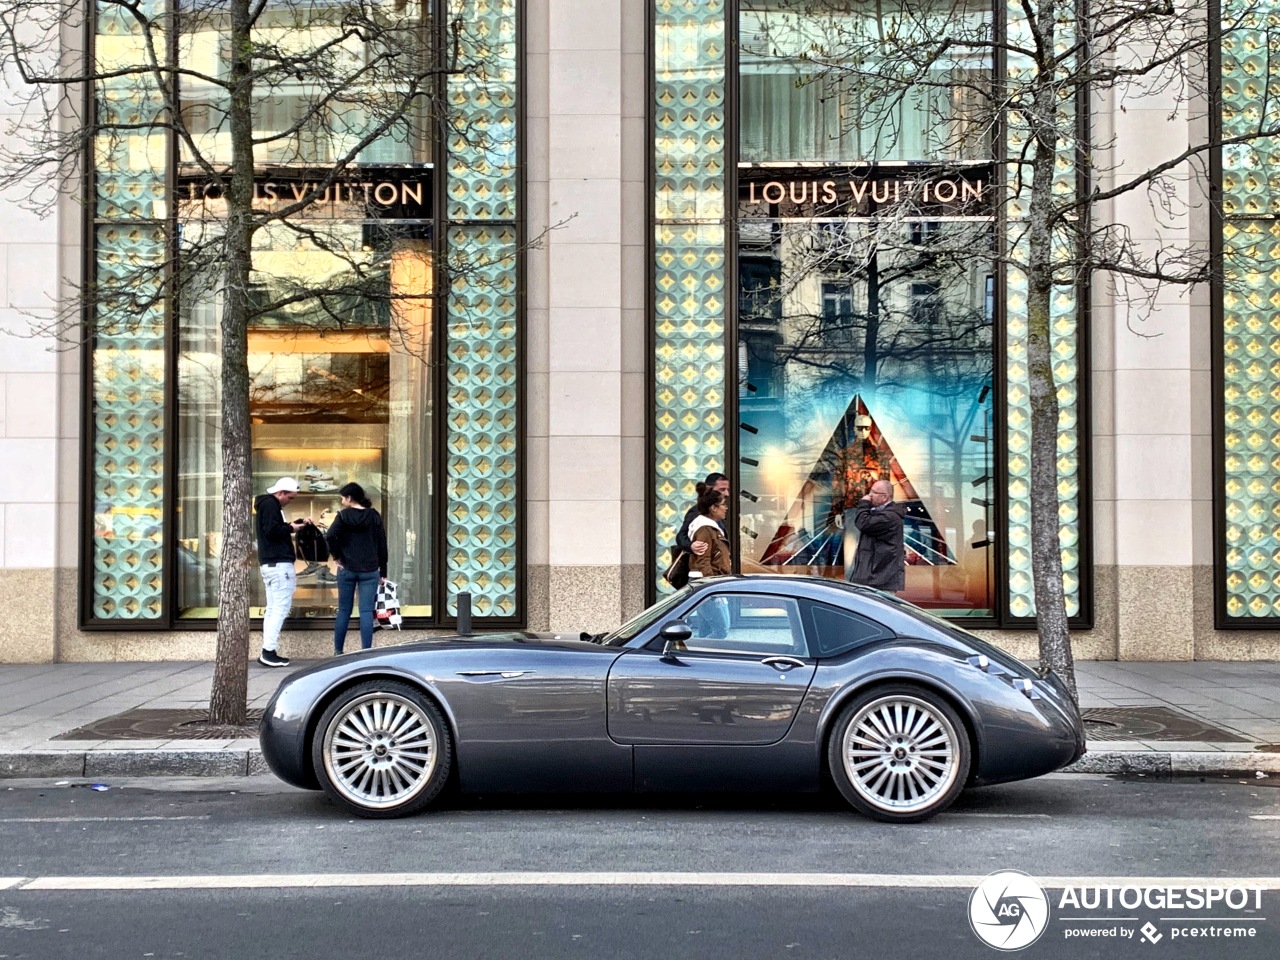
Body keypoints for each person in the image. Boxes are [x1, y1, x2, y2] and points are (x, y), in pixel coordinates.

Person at [325, 482, 389, 654]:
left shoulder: (343, 516)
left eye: (342, 498)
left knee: (344, 610)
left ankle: (338, 651)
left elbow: (330, 535)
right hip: (370, 570)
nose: (341, 501)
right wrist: (383, 571)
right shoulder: (373, 515)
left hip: (347, 568)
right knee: (366, 611)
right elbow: (382, 544)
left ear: (349, 498)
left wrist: (337, 556)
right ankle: (365, 652)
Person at [255, 477, 310, 667]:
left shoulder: (265, 505)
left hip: (270, 564)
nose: (290, 501)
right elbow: (272, 530)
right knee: (280, 609)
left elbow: (272, 529)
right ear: (281, 493)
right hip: (279, 564)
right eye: (290, 498)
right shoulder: (271, 505)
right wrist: (290, 528)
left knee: (272, 609)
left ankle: (268, 649)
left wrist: (294, 525)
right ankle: (268, 651)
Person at [846, 479, 907, 593]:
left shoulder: (890, 516)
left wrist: (863, 504)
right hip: (873, 577)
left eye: (874, 492)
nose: (869, 495)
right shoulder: (880, 513)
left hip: (881, 579)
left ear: (884, 497)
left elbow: (864, 523)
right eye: (870, 491)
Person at [676, 472, 730, 562]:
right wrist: (691, 546)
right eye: (722, 489)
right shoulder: (698, 511)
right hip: (704, 569)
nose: (727, 493)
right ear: (709, 489)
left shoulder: (716, 514)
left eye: (727, 489)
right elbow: (681, 536)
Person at [687, 483, 732, 580]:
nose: (726, 508)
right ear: (714, 508)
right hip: (708, 581)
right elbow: (703, 562)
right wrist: (712, 583)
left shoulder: (710, 528)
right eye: (723, 504)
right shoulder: (705, 529)